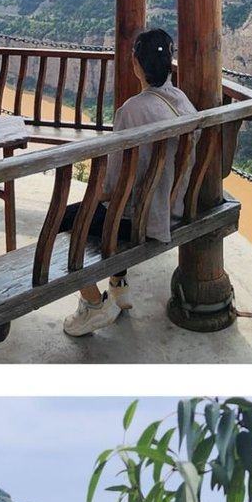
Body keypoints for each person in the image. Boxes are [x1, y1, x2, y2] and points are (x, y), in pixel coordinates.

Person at [62, 27, 195, 337]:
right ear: (169, 64)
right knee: (98, 210)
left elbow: (112, 188)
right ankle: (120, 289)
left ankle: (94, 305)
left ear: (136, 65)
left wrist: (91, 200)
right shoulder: (183, 100)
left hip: (146, 220)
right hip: (177, 208)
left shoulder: (130, 111)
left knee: (67, 218)